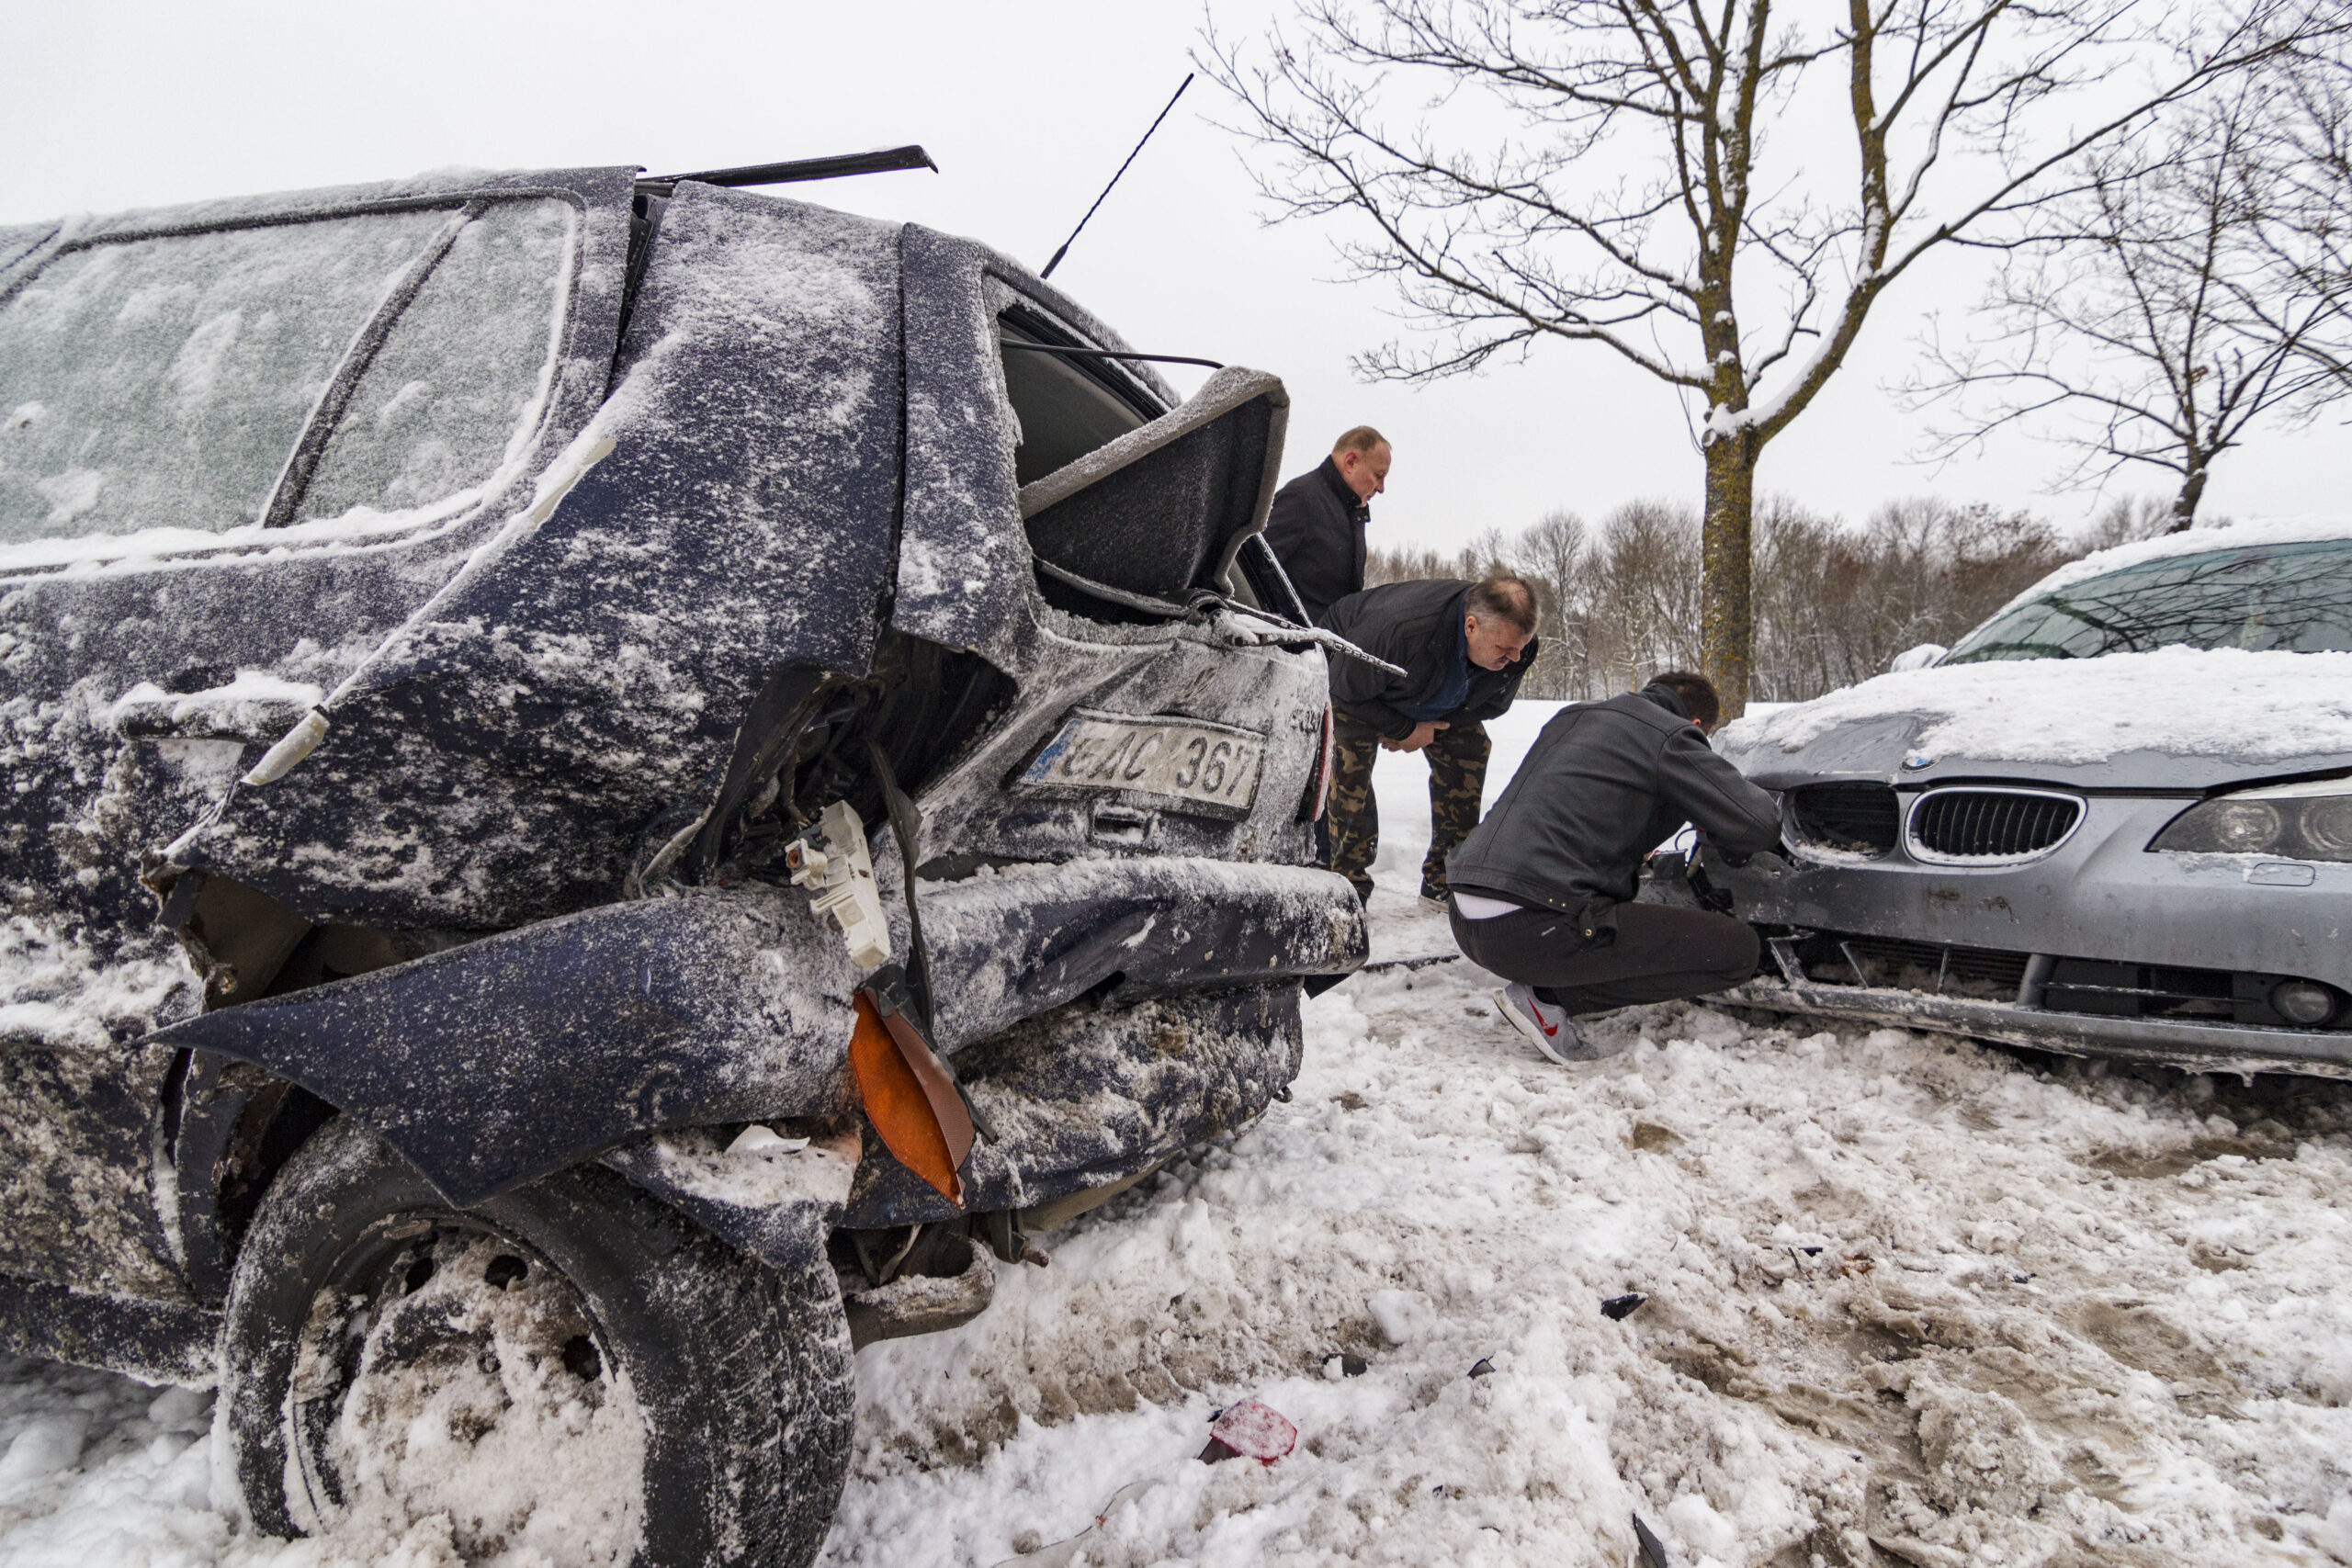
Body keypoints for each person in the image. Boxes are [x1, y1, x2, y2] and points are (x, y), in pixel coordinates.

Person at [1444, 671, 1781, 1065]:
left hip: (1466, 915)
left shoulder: (1574, 717)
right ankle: (1549, 998)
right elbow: (1758, 824)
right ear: (1694, 724)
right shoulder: (1669, 734)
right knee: (1738, 951)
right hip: (1534, 925)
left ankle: (1563, 976)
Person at [1318, 574, 1539, 908]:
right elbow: (1342, 691)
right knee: (1349, 768)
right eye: (1504, 649)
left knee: (1470, 750)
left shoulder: (1518, 648)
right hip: (1352, 679)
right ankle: (1348, 885)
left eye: (1520, 648)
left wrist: (1426, 728)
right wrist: (1404, 728)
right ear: (1471, 626)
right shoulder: (1401, 629)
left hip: (1426, 691)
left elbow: (1491, 705)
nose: (1515, 658)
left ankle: (1443, 880)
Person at [1262, 426, 1389, 625]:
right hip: (1292, 638)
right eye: (1378, 475)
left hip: (1326, 639)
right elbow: (1256, 569)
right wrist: (1289, 625)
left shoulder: (1353, 514)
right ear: (1350, 462)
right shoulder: (1301, 498)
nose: (1381, 488)